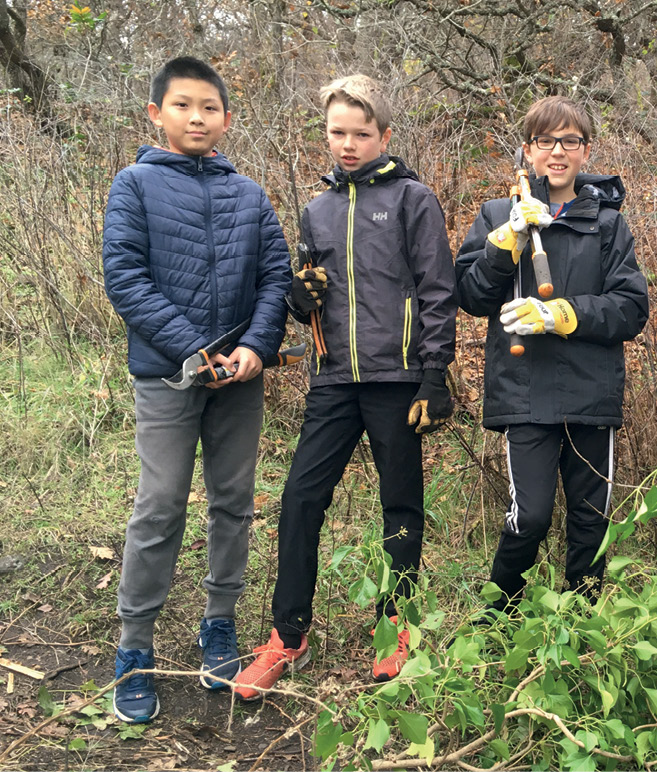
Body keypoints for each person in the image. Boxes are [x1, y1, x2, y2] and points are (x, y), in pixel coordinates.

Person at [231, 74, 457, 700]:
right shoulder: (318, 207)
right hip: (333, 380)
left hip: (397, 378)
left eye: (361, 133)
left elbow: (438, 290)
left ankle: (397, 625)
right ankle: (287, 636)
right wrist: (300, 299)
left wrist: (434, 375)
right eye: (338, 132)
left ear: (384, 135)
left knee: (401, 506)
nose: (348, 144)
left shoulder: (413, 199)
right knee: (301, 498)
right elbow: (308, 286)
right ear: (325, 134)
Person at [102, 56, 291, 723]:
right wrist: (192, 348)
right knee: (159, 507)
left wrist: (255, 348)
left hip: (238, 379)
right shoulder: (133, 186)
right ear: (156, 113)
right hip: (168, 376)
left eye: (209, 108)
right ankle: (135, 648)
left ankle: (218, 625)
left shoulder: (249, 193)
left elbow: (276, 276)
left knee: (233, 503)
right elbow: (125, 279)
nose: (197, 118)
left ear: (226, 119)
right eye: (183, 105)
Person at [454, 96, 648, 613]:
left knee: (591, 518)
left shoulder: (607, 222)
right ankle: (499, 616)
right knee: (531, 515)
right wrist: (505, 240)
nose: (557, 152)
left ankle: (582, 622)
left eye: (570, 141)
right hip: (526, 393)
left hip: (591, 392)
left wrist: (563, 314)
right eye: (546, 141)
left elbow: (631, 309)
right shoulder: (499, 213)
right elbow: (471, 296)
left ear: (586, 151)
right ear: (528, 149)